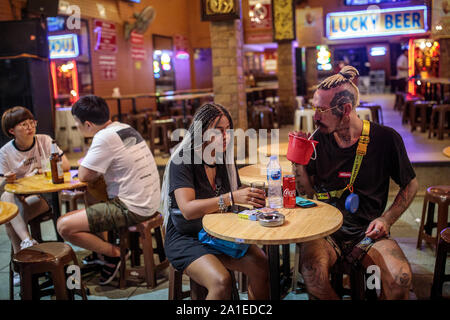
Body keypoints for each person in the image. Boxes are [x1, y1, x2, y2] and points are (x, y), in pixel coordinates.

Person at [294, 66, 419, 300]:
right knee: (312, 274)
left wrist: (386, 219)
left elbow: (410, 184)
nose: (315, 117)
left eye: (322, 109)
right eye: (314, 108)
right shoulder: (317, 139)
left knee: (400, 280)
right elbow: (307, 192)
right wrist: (298, 163)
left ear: (346, 109)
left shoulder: (385, 139)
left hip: (368, 232)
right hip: (326, 231)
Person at [160, 103, 270, 300]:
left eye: (228, 129)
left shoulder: (223, 159)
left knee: (261, 263)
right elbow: (187, 210)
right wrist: (230, 198)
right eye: (218, 131)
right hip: (187, 236)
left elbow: (233, 197)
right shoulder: (183, 160)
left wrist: (253, 198)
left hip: (218, 232)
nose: (225, 136)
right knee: (221, 281)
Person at [56, 95, 160, 285]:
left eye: (77, 124)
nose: (77, 128)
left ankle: (114, 254)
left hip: (132, 207)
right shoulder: (123, 127)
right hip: (150, 200)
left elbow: (84, 175)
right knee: (91, 194)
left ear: (87, 124)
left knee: (64, 225)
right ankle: (100, 252)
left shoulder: (103, 137)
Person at [0, 106, 70, 285]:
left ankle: (21, 266)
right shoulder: (5, 152)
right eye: (24, 124)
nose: (30, 127)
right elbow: (1, 187)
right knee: (7, 197)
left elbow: (67, 165)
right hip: (19, 199)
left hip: (42, 198)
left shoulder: (44, 140)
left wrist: (44, 168)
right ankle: (27, 242)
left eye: (32, 122)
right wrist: (6, 179)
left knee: (11, 221)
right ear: (11, 131)